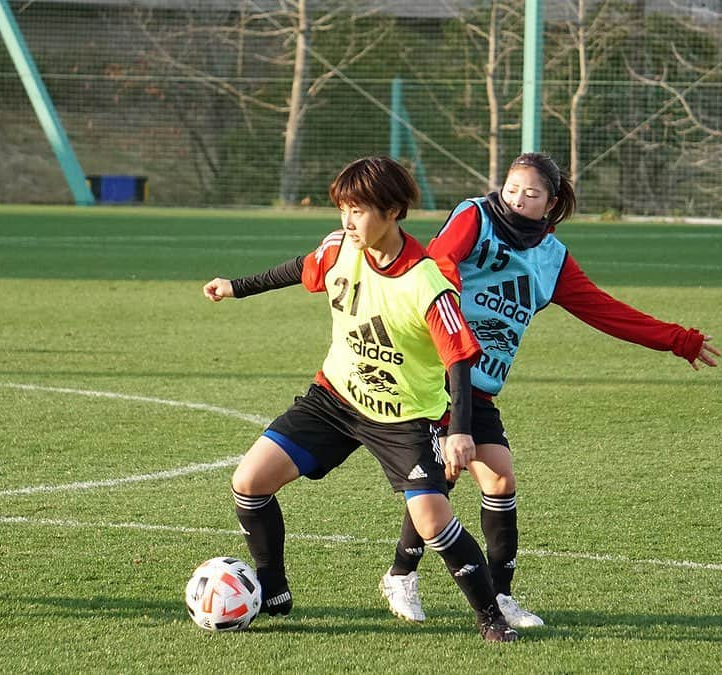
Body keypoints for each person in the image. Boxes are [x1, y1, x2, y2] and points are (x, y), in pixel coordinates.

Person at [379, 152, 721, 629]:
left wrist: (677, 340)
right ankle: (404, 576)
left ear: (551, 203)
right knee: (444, 479)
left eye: (531, 194)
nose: (517, 200)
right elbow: (440, 261)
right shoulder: (475, 216)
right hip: (437, 374)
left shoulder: (552, 258)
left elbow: (605, 310)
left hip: (480, 388)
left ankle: (495, 596)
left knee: (496, 480)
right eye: (512, 188)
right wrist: (452, 311)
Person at [202, 156, 518, 642]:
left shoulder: (427, 281)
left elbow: (458, 357)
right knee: (249, 481)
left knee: (433, 523)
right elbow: (299, 269)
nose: (348, 222)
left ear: (393, 212)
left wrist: (459, 430)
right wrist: (235, 287)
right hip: (334, 398)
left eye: (359, 211)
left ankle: (489, 617)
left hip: (405, 417)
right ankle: (273, 587)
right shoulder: (339, 248)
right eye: (343, 209)